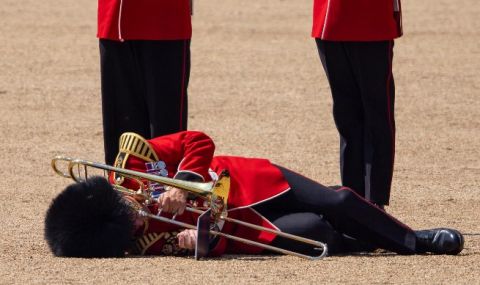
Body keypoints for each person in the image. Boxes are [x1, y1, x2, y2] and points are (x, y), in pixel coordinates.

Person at [45, 131, 464, 258]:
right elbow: (208, 242)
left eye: (127, 214)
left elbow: (196, 140)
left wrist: (181, 183)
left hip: (254, 179)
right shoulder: (141, 241)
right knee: (321, 231)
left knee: (337, 201)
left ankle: (414, 240)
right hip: (249, 223)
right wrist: (200, 242)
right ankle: (371, 238)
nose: (137, 222)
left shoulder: (132, 162)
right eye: (128, 228)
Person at [312, 0, 403, 208]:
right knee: (354, 117)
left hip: (358, 21)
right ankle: (358, 203)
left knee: (369, 117)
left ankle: (369, 203)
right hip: (347, 22)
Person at [98, 0, 193, 165]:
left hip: (163, 19)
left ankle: (165, 186)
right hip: (114, 18)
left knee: (165, 126)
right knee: (122, 122)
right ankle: (125, 185)